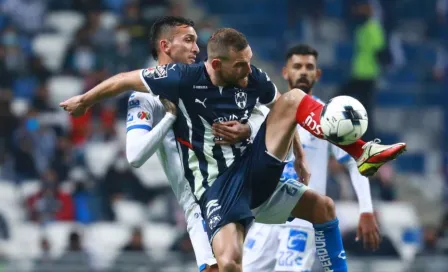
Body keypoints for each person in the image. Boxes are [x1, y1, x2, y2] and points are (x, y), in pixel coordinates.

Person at [60, 28, 406, 272]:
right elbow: (124, 78)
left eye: (249, 61)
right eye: (239, 65)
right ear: (214, 65)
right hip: (217, 188)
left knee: (323, 204)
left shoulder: (252, 78)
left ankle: (363, 152)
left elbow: (284, 110)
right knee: (227, 262)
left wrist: (299, 155)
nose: (247, 71)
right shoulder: (181, 78)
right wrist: (85, 100)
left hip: (255, 170)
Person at [126, 16, 263, 272]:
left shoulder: (208, 79)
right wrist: (170, 118)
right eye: (189, 40)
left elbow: (262, 106)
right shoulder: (145, 98)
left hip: (242, 187)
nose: (196, 48)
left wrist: (249, 128)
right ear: (165, 46)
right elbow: (134, 156)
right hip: (201, 208)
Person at [242, 44, 380, 272]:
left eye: (309, 67)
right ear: (285, 72)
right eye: (297, 66)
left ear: (318, 74)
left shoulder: (331, 117)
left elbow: (356, 162)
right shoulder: (265, 113)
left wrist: (366, 209)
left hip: (301, 220)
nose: (303, 72)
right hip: (264, 218)